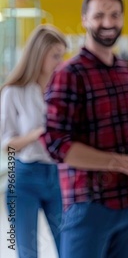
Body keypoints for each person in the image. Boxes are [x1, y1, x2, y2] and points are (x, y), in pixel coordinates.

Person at [41, 0, 128, 258]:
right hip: (89, 205)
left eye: (115, 15)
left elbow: (103, 127)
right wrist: (121, 163)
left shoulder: (122, 68)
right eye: (99, 16)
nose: (108, 23)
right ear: (85, 19)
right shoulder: (69, 73)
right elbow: (58, 143)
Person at [0, 25, 66, 258]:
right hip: (23, 177)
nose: (60, 62)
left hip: (59, 175)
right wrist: (39, 133)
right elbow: (7, 146)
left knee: (68, 246)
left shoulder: (62, 91)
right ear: (39, 55)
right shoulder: (14, 92)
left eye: (62, 55)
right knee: (27, 251)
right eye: (55, 55)